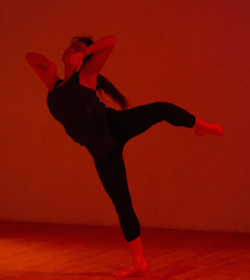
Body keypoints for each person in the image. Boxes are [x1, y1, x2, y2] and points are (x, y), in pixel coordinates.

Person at [26, 35, 223, 277]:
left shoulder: (87, 73)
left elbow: (111, 40)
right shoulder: (53, 85)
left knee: (160, 109)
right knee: (122, 203)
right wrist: (53, 66)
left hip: (114, 125)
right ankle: (139, 261)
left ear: (85, 56)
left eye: (79, 49)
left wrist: (86, 52)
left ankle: (201, 125)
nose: (73, 50)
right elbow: (29, 57)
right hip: (101, 150)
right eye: (71, 47)